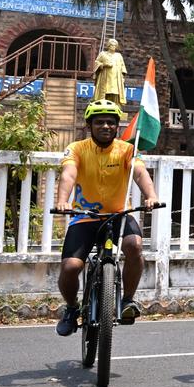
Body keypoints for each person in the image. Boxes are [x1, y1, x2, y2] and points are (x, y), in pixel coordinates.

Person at [54, 99, 159, 336]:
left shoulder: (127, 150)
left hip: (119, 215)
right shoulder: (77, 148)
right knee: (71, 267)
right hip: (85, 216)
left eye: (111, 123)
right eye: (99, 122)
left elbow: (140, 173)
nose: (105, 126)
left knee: (134, 246)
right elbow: (69, 174)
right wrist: (62, 200)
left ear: (117, 127)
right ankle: (71, 309)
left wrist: (151, 195)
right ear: (89, 126)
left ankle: (128, 301)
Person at [92, 38, 126, 104]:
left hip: (116, 78)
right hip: (105, 77)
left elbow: (122, 67)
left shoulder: (119, 56)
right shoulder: (103, 54)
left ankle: (116, 105)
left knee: (115, 92)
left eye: (115, 45)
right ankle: (102, 104)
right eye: (112, 45)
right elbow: (96, 63)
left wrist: (122, 77)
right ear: (108, 46)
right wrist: (104, 65)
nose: (113, 47)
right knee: (105, 91)